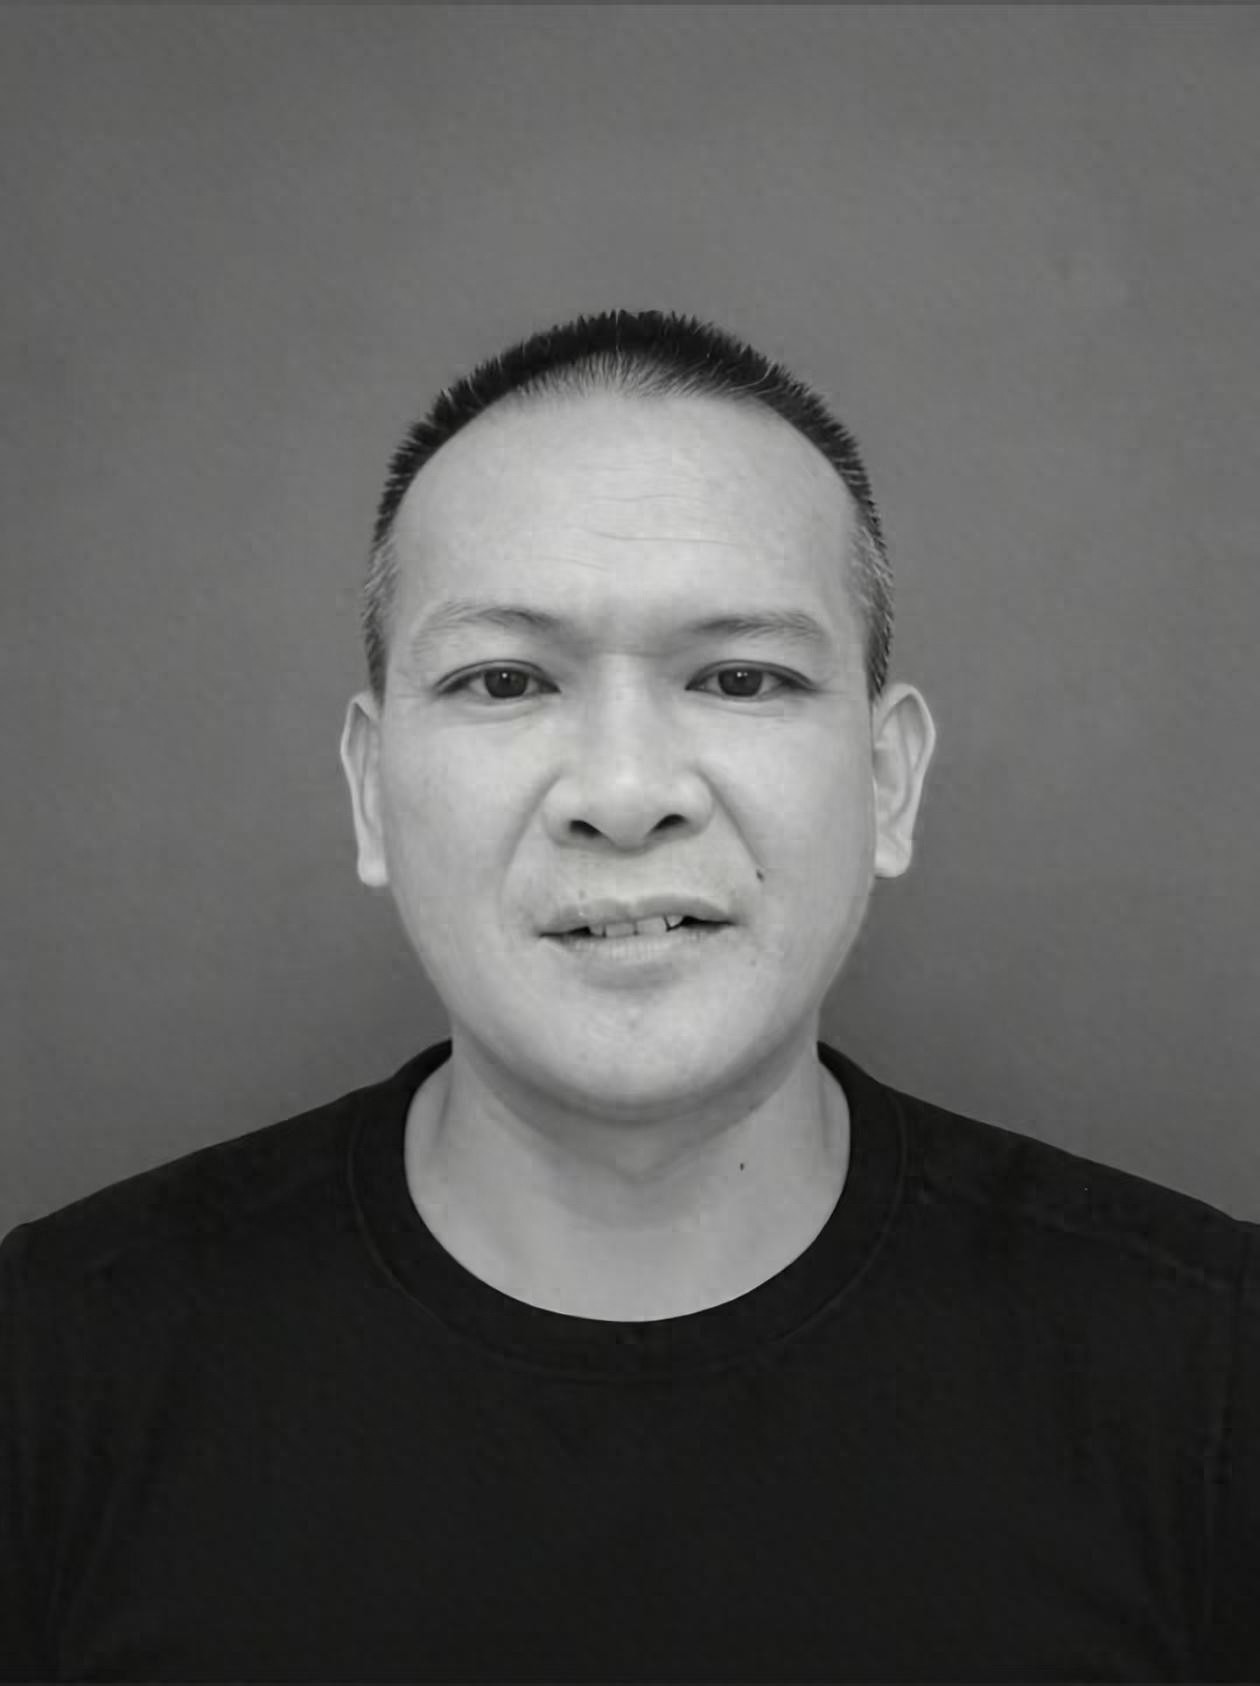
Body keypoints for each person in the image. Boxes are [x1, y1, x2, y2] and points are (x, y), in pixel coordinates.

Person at [1, 308, 1256, 1684]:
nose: (622, 790)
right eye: (504, 679)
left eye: (739, 677)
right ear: (370, 791)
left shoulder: (1208, 1384)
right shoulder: (53, 1376)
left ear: (888, 781)